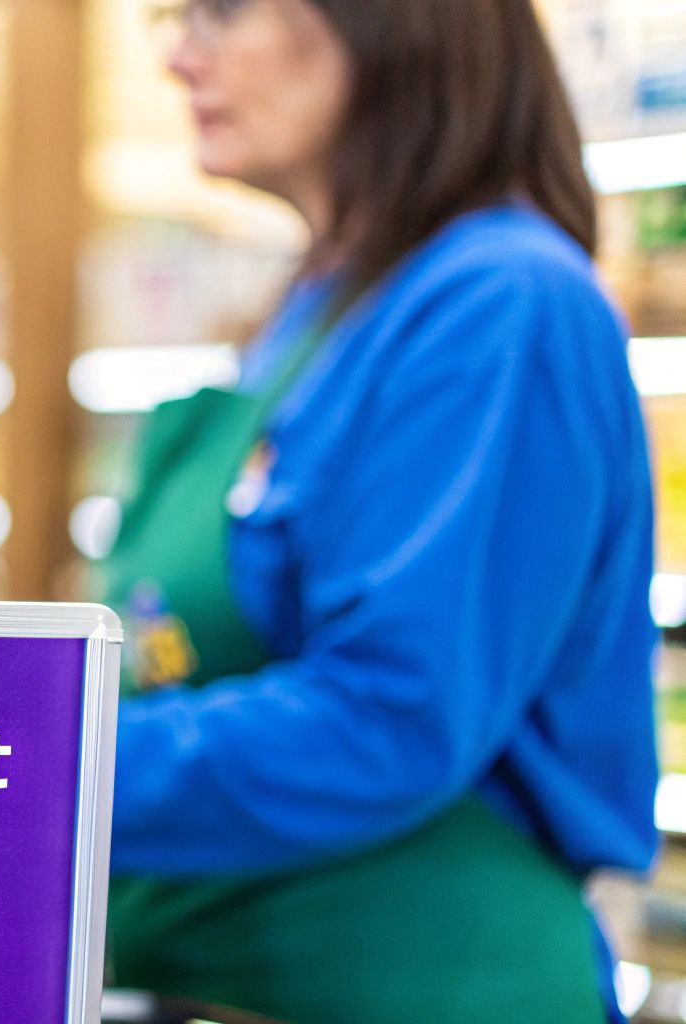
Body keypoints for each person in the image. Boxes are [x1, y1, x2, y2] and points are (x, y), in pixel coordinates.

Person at [97, 2, 657, 1022]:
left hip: (425, 982)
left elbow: (392, 713)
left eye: (218, 11)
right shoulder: (321, 308)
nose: (178, 56)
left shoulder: (500, 300)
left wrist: (35, 760)